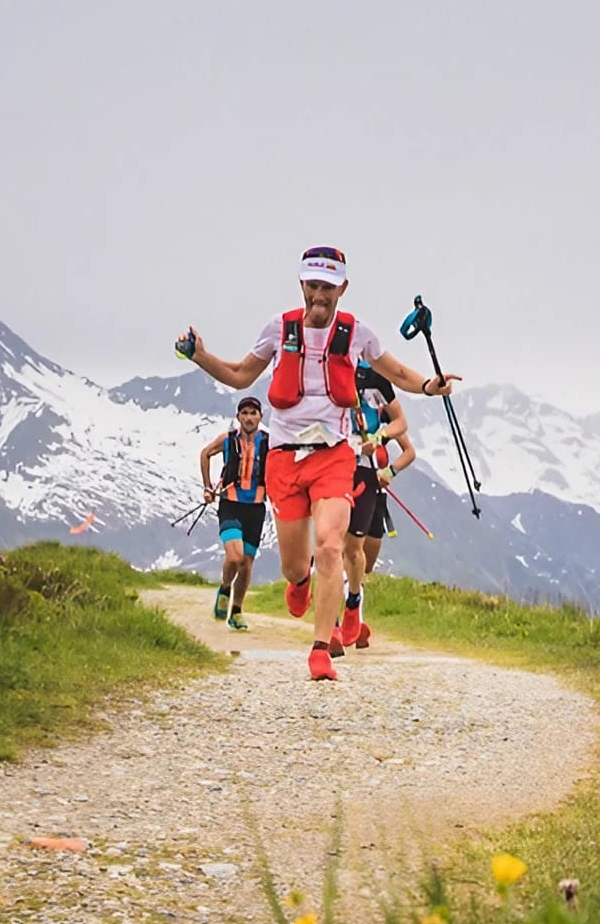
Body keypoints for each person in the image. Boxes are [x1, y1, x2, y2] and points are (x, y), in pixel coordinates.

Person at [178, 245, 458, 681]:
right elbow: (240, 375)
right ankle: (299, 582)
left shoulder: (358, 333)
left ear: (342, 288)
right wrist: (199, 354)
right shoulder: (279, 328)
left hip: (334, 456)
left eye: (328, 287)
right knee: (294, 564)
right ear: (302, 285)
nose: (320, 295)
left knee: (330, 545)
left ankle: (320, 650)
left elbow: (398, 374)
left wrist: (428, 383)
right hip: (286, 460)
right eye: (313, 286)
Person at [340, 359, 415, 650]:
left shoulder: (383, 417)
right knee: (347, 549)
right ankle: (348, 621)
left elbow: (410, 452)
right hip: (345, 476)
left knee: (364, 563)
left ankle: (353, 606)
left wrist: (389, 472)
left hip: (375, 490)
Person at [197, 396, 268, 631]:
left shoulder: (268, 442)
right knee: (235, 556)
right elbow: (205, 453)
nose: (249, 417)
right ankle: (225, 587)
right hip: (230, 504)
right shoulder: (228, 440)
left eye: (253, 413)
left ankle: (236, 611)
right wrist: (208, 487)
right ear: (238, 417)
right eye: (244, 413)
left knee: (247, 563)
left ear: (260, 417)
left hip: (256, 508)